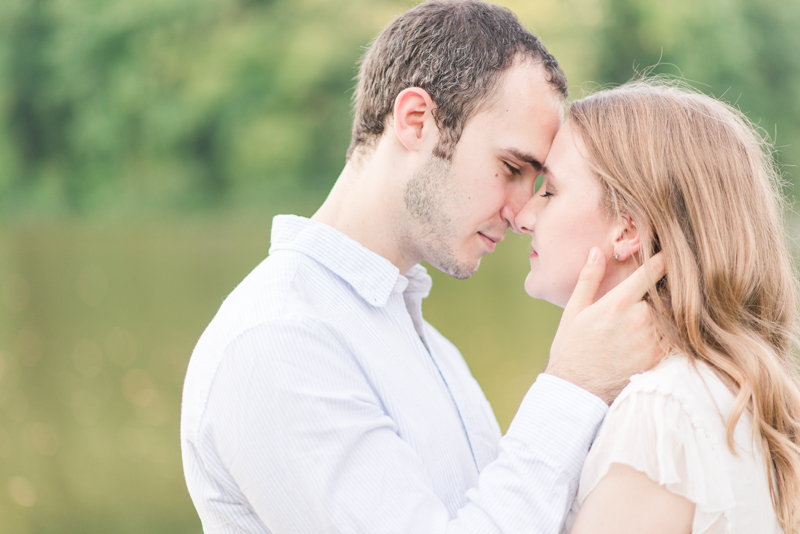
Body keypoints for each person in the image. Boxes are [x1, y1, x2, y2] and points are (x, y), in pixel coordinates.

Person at [180, 2, 664, 532]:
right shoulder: (278, 340)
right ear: (416, 121)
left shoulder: (429, 347)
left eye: (539, 181)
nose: (523, 210)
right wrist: (573, 386)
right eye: (509, 167)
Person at [515, 79, 800, 534]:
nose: (523, 217)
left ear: (627, 229)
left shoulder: (660, 414)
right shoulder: (729, 394)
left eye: (549, 191)